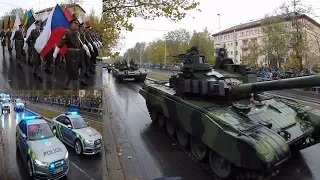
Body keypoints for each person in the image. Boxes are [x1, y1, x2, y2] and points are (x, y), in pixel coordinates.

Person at [53, 18, 91, 89]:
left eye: (77, 24)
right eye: (75, 24)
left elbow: (81, 43)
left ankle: (80, 80)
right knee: (72, 72)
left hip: (79, 54)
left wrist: (86, 48)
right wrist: (55, 52)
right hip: (71, 55)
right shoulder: (68, 33)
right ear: (71, 24)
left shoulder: (78, 33)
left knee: (83, 66)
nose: (77, 26)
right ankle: (66, 84)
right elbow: (61, 43)